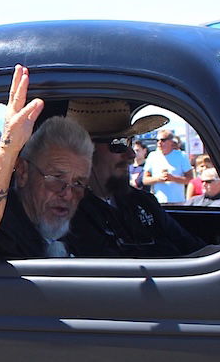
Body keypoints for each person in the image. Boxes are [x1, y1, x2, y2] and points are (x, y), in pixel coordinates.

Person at [0, 66, 93, 260]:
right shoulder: (6, 222)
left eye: (78, 183)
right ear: (22, 172)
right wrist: (8, 149)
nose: (68, 193)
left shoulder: (86, 221)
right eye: (56, 178)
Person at [67, 101, 206, 257]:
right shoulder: (67, 212)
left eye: (130, 141)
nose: (131, 154)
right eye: (119, 143)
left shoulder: (143, 201)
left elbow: (195, 249)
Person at [142, 128, 193, 203]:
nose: (159, 143)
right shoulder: (152, 156)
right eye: (157, 140)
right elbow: (145, 180)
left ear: (171, 141)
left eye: (163, 140)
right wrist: (158, 179)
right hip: (158, 202)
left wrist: (173, 178)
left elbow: (190, 179)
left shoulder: (181, 155)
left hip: (177, 202)